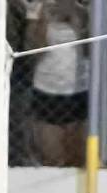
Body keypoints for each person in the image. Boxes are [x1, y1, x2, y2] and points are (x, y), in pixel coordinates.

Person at [24, 0, 89, 167]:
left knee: (77, 159)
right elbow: (33, 51)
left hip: (78, 89)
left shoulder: (84, 8)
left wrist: (75, 19)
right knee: (53, 159)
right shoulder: (39, 7)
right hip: (47, 89)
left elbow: (92, 49)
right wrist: (43, 19)